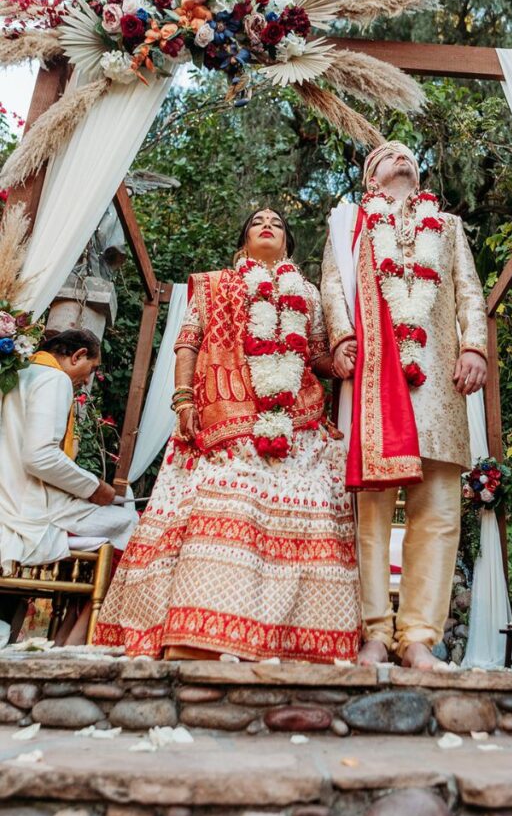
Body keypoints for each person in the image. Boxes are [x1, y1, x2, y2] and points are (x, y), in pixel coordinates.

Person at [94, 208, 360, 662]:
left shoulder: (309, 295)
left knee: (312, 508)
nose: (268, 224)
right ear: (243, 243)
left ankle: (295, 646)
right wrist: (183, 399)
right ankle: (193, 639)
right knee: (221, 512)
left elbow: (315, 355)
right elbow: (188, 342)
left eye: (277, 221)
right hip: (224, 421)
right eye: (258, 220)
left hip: (296, 425)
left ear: (289, 244)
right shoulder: (218, 285)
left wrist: (344, 360)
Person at [321, 141, 488, 670]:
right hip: (374, 381)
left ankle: (418, 638)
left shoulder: (450, 225)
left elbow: (469, 293)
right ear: (371, 178)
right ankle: (372, 633)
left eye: (407, 154)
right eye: (388, 155)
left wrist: (474, 346)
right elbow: (332, 286)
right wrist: (342, 337)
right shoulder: (352, 224)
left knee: (438, 513)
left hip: (439, 383)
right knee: (369, 512)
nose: (403, 158)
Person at [0, 329, 138, 572]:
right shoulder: (54, 379)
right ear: (78, 355)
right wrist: (93, 487)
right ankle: (94, 611)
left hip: (10, 497)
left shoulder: (16, 373)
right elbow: (39, 457)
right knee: (132, 525)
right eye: (92, 369)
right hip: (29, 508)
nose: (87, 380)